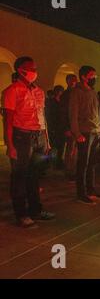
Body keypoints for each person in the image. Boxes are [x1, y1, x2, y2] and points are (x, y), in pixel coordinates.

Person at [1, 56, 55, 228]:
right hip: (21, 137)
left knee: (34, 175)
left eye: (35, 68)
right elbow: (8, 120)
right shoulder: (12, 90)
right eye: (30, 68)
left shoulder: (39, 91)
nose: (34, 71)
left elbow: (42, 117)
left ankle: (35, 210)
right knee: (19, 176)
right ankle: (21, 214)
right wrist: (10, 145)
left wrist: (46, 140)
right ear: (20, 70)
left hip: (38, 135)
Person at [69, 66, 100, 204]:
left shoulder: (93, 92)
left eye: (95, 75)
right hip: (84, 132)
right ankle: (81, 193)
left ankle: (91, 188)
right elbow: (73, 114)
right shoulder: (76, 92)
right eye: (91, 75)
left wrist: (99, 127)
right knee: (83, 163)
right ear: (83, 76)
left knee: (92, 163)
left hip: (95, 131)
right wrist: (77, 133)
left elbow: (97, 111)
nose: (94, 78)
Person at [60, 74, 78, 180]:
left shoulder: (76, 93)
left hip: (77, 126)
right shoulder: (66, 95)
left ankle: (74, 170)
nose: (74, 82)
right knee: (71, 150)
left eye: (75, 80)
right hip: (70, 127)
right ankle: (69, 172)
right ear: (67, 81)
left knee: (76, 151)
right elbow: (63, 113)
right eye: (72, 80)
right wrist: (66, 128)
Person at [47, 85, 65, 169]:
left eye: (61, 91)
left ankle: (58, 161)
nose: (59, 93)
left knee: (61, 146)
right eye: (58, 91)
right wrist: (50, 127)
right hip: (54, 127)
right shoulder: (50, 102)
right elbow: (49, 115)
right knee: (53, 146)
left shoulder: (63, 102)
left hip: (61, 127)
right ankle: (52, 162)